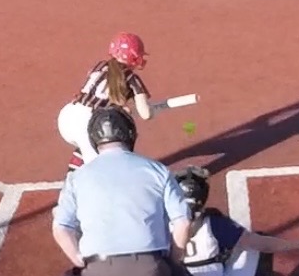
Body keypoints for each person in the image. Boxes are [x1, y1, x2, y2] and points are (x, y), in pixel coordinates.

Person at [52, 107, 194, 276]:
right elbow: (183, 222)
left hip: (98, 268)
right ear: (130, 134)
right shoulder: (158, 170)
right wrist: (172, 261)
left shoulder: (76, 177)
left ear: (93, 138)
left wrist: (79, 260)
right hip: (150, 267)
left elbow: (61, 227)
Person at [175, 167, 299, 276]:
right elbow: (263, 245)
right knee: (250, 245)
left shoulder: (160, 222)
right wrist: (292, 245)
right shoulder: (214, 223)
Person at [57, 32, 156, 172]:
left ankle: (74, 171)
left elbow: (103, 95)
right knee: (102, 164)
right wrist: (148, 109)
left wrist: (120, 110)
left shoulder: (100, 65)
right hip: (87, 123)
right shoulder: (132, 79)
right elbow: (146, 114)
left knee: (93, 142)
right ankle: (75, 186)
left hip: (67, 116)